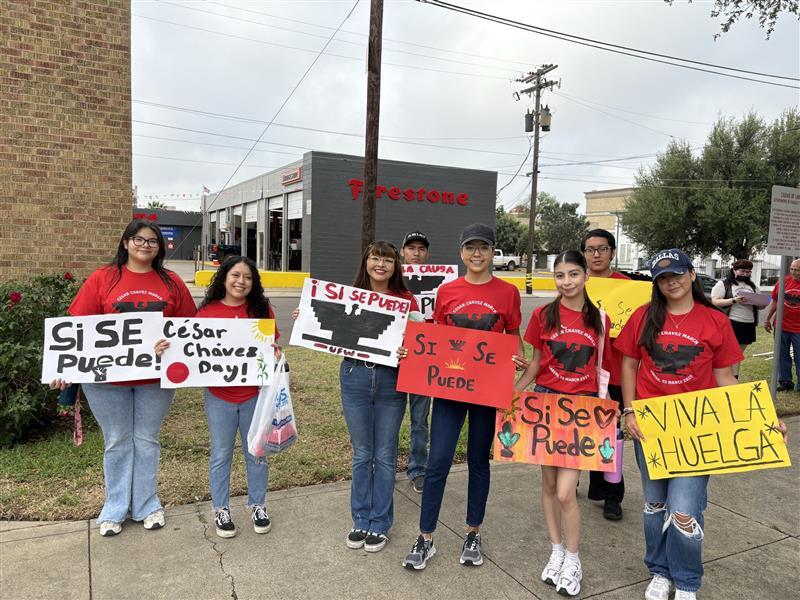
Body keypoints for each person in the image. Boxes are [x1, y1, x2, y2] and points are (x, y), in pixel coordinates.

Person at [617, 248, 766, 600]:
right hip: (652, 425)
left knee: (684, 508)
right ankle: (659, 570)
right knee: (655, 504)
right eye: (664, 277)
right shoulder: (643, 316)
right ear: (656, 283)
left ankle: (685, 581)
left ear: (692, 275)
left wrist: (763, 418)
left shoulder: (714, 321)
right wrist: (629, 410)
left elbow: (725, 377)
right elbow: (627, 365)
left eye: (678, 274)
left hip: (697, 429)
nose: (672, 281)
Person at [50, 220, 195, 537]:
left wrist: (171, 344)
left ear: (160, 247)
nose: (146, 245)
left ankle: (147, 504)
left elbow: (188, 327)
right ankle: (114, 508)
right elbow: (77, 328)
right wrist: (62, 367)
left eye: (153, 241)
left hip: (155, 379)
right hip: (104, 380)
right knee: (116, 441)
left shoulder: (171, 282)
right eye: (139, 239)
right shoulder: (103, 278)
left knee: (146, 440)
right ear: (126, 243)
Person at [403, 223, 523, 571]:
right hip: (450, 389)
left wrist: (516, 358)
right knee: (438, 461)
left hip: (487, 389)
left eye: (483, 248)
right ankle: (425, 537)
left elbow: (513, 335)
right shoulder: (447, 291)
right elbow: (437, 338)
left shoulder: (508, 293)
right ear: (461, 253)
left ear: (492, 252)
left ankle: (473, 531)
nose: (477, 254)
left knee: (477, 461)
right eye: (470, 248)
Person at [293, 241, 418, 553]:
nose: (380, 265)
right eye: (375, 258)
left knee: (385, 455)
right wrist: (306, 314)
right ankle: (360, 518)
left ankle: (380, 522)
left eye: (387, 260)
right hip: (355, 377)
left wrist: (409, 349)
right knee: (363, 454)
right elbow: (324, 327)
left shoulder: (406, 301)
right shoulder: (349, 297)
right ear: (366, 262)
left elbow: (422, 345)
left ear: (395, 266)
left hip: (391, 381)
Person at [157, 256, 281, 539]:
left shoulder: (262, 311)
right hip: (219, 397)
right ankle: (221, 509)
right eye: (235, 275)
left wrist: (274, 352)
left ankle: (258, 505)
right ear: (224, 278)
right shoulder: (207, 313)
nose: (241, 282)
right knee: (221, 454)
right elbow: (188, 349)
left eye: (248, 277)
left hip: (255, 396)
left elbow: (273, 346)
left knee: (257, 454)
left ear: (254, 282)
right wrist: (165, 348)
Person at [514, 250, 612, 597]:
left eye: (573, 274)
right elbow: (537, 362)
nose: (566, 282)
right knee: (548, 484)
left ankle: (573, 559)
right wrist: (514, 393)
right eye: (560, 275)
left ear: (586, 276)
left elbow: (605, 369)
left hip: (581, 412)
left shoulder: (600, 319)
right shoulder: (543, 315)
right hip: (544, 404)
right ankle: (555, 551)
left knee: (566, 492)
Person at [580, 228, 629, 520]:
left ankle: (612, 494)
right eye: (590, 249)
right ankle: (574, 480)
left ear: (612, 251)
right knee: (581, 431)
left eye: (602, 248)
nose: (596, 254)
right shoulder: (578, 283)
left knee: (611, 437)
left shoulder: (628, 287)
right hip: (582, 372)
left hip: (617, 373)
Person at [400, 230, 432, 494]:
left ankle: (418, 469)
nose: (416, 253)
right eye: (412, 248)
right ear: (403, 252)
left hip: (424, 359)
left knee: (420, 419)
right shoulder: (388, 278)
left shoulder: (441, 282)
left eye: (421, 248)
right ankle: (384, 466)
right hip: (393, 359)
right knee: (388, 417)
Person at [710, 259, 762, 379]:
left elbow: (761, 304)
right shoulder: (724, 284)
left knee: (737, 354)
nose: (746, 274)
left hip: (748, 323)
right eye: (743, 271)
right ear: (734, 270)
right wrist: (734, 300)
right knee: (731, 354)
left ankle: (731, 378)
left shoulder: (752, 286)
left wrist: (760, 303)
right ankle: (730, 378)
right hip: (731, 321)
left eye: (748, 272)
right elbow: (715, 301)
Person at [765, 258, 800, 392]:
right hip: (781, 326)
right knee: (782, 354)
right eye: (792, 269)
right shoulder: (783, 282)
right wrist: (767, 318)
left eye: (797, 270)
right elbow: (775, 301)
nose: (793, 272)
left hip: (798, 328)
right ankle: (786, 382)